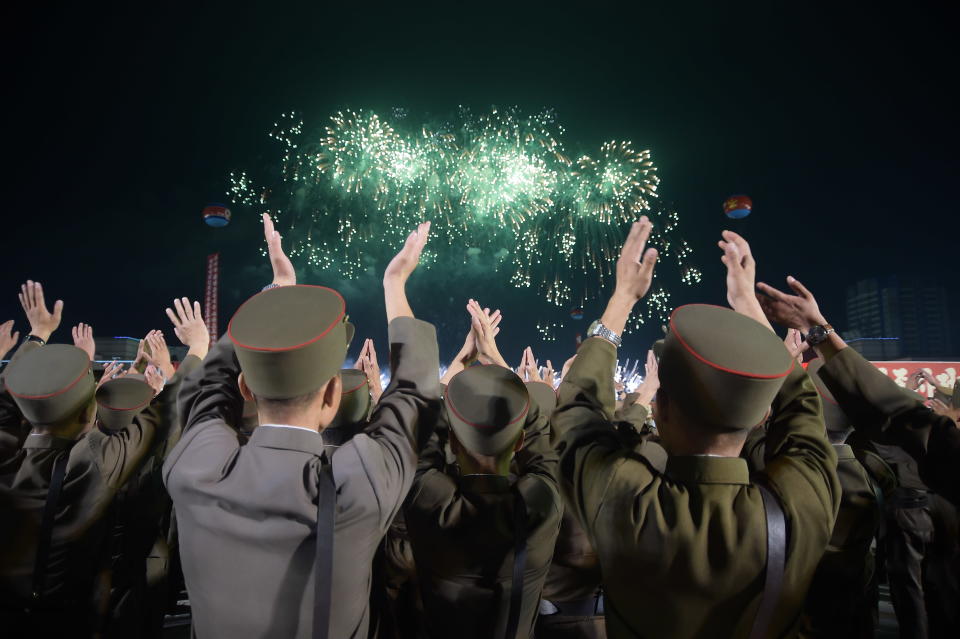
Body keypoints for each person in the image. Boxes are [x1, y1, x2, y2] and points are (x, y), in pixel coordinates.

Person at [552, 220, 841, 638]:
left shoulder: (624, 497)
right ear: (760, 414)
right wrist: (748, 306)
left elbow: (575, 412)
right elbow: (802, 407)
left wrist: (622, 299)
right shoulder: (802, 501)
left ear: (662, 408)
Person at [162, 214, 441, 639]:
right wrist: (395, 284)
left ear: (247, 389)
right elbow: (414, 396)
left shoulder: (193, 467)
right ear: (332, 396)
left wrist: (277, 292)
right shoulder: (357, 484)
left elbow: (210, 389)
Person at [757, 274, 960, 638]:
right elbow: (905, 416)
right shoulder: (872, 474)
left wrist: (801, 346)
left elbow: (902, 415)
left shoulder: (779, 468)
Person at [0, 281, 167, 637]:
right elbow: (158, 421)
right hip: (69, 620)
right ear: (84, 418)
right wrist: (162, 374)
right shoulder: (90, 461)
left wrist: (39, 334)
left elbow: (7, 400)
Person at [403, 319, 561, 639]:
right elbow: (543, 446)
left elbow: (423, 438)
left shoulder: (430, 502)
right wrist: (499, 362)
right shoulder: (539, 507)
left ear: (453, 442)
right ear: (518, 443)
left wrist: (459, 365)